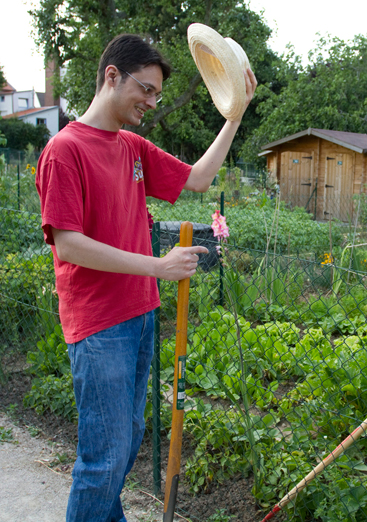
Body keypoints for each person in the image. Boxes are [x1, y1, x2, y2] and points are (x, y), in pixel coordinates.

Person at [35, 34, 257, 522]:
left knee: (126, 443)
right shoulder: (64, 150)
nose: (152, 102)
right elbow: (68, 243)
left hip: (139, 316)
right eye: (147, 89)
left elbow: (197, 179)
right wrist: (158, 267)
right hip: (98, 326)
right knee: (103, 461)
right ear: (112, 75)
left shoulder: (132, 147)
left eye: (157, 93)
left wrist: (234, 116)